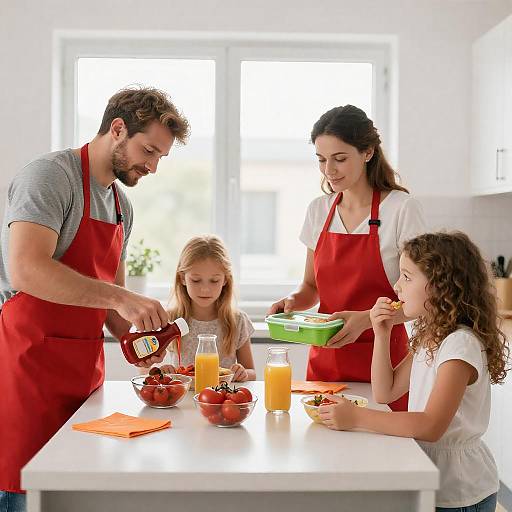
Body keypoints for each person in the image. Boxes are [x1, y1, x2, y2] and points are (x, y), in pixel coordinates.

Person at [0, 86, 190, 509]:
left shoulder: (122, 205)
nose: (154, 166)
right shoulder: (51, 176)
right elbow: (26, 269)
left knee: (72, 495)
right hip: (28, 373)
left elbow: (109, 306)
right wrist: (123, 299)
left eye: (161, 156)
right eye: (149, 150)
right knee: (23, 493)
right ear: (118, 129)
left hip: (84, 381)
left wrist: (142, 341)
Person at [319, 232, 509, 511]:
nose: (396, 286)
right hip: (429, 473)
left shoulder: (460, 345)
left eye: (407, 277)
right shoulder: (431, 335)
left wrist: (357, 416)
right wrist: (381, 334)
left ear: (440, 286)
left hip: (458, 490)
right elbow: (386, 392)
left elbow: (431, 426)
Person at [269, 105, 426, 410]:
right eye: (321, 160)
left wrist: (366, 320)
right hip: (326, 365)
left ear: (367, 152)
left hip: (386, 368)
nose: (329, 170)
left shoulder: (402, 210)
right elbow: (310, 287)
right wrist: (291, 302)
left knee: (383, 454)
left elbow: (422, 300)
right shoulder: (319, 210)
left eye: (339, 159)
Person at [161, 235, 256, 382]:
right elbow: (145, 368)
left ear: (225, 279)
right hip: (182, 400)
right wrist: (162, 371)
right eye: (196, 280)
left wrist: (243, 373)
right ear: (182, 278)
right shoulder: (169, 319)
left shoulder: (237, 321)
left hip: (221, 399)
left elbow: (251, 372)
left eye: (214, 280)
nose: (205, 289)